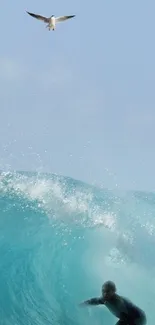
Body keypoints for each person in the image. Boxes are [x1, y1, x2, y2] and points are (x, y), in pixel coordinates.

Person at [79, 280, 146, 325]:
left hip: (139, 317)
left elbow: (127, 319)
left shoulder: (118, 302)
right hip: (129, 317)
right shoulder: (104, 298)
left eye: (107, 291)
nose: (105, 294)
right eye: (103, 291)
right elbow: (94, 301)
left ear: (114, 291)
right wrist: (81, 305)